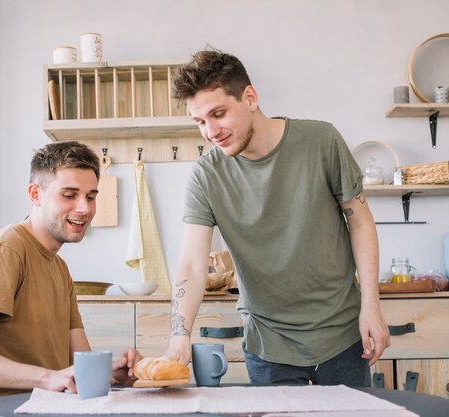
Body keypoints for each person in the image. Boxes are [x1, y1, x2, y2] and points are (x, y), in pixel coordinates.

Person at [164, 49, 390, 386]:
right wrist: (178, 337)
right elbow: (193, 264)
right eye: (200, 121)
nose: (210, 131)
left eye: (218, 113)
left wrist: (371, 305)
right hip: (269, 347)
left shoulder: (322, 141)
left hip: (343, 337)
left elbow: (359, 221)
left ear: (250, 97)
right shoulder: (205, 176)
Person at [0, 141, 140, 417]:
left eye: (91, 196)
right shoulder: (6, 249)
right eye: (69, 195)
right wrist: (49, 378)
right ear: (35, 194)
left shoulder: (60, 268)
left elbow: (79, 361)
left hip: (46, 409)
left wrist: (116, 373)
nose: (84, 208)